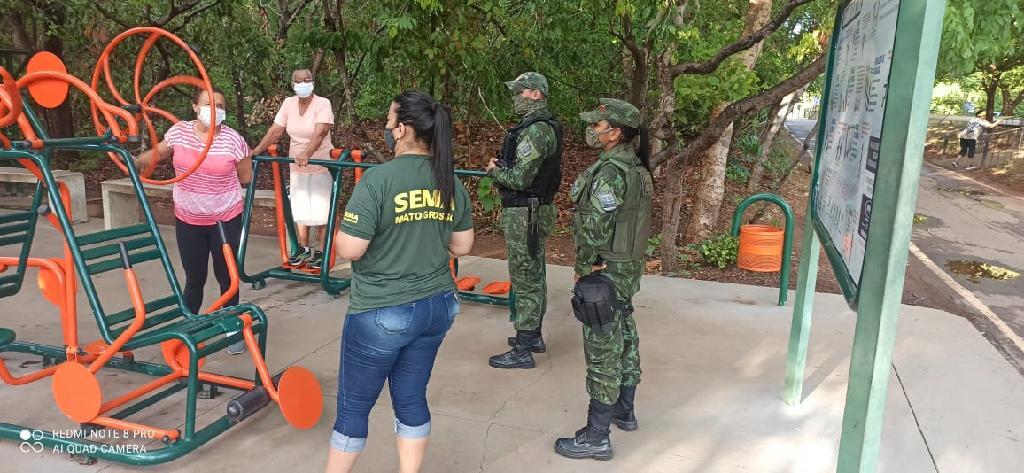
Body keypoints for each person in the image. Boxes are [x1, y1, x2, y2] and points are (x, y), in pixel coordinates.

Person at [325, 91, 473, 473]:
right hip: (437, 307)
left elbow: (352, 249)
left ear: (403, 129)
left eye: (389, 122)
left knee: (354, 408)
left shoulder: (379, 180)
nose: (386, 128)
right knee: (410, 398)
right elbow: (462, 245)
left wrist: (342, 235)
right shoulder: (449, 180)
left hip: (381, 311)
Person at [554, 98, 652, 461]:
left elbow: (596, 225)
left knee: (602, 348)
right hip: (625, 268)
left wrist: (584, 267)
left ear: (615, 132)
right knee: (624, 332)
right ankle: (624, 411)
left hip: (605, 270)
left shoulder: (612, 172)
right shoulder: (635, 168)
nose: (591, 131)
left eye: (597, 125)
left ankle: (596, 435)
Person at [134, 87, 252, 355]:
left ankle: (231, 329)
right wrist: (135, 161)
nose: (215, 109)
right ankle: (189, 329)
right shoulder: (179, 132)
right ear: (195, 107)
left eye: (221, 105)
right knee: (194, 277)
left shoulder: (234, 140)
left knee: (227, 277)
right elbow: (159, 153)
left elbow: (245, 177)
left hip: (224, 218)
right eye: (209, 104)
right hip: (188, 218)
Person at [485, 72, 563, 369]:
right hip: (532, 208)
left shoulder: (535, 131)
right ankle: (532, 336)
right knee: (533, 272)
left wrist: (494, 171)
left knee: (525, 276)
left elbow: (520, 177)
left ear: (535, 94)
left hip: (526, 211)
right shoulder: (539, 127)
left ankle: (523, 347)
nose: (515, 97)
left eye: (519, 92)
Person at [252, 68, 335, 270]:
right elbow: (275, 131)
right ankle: (304, 249)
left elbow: (320, 132)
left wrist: (307, 153)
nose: (303, 83)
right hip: (297, 167)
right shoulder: (289, 104)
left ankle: (322, 252)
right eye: (299, 80)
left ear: (313, 82)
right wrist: (256, 151)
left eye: (307, 79)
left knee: (320, 211)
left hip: (320, 164)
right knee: (300, 210)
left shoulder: (323, 104)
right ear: (293, 84)